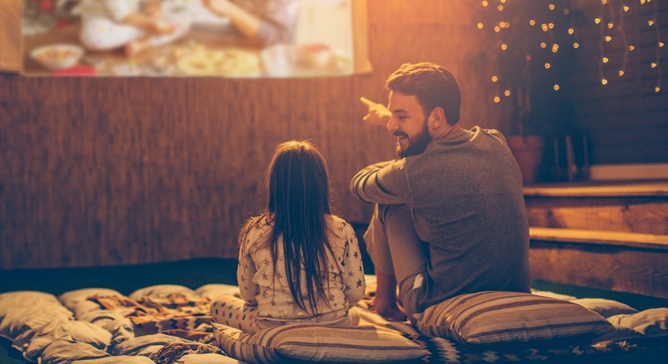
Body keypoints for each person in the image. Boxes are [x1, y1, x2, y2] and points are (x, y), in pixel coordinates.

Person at [350, 62, 531, 322]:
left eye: (401, 116)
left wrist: (399, 169)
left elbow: (359, 185)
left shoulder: (413, 173)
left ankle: (385, 302)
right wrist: (400, 151)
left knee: (388, 202)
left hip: (437, 304)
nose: (391, 126)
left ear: (436, 117)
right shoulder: (495, 141)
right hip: (516, 292)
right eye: (391, 115)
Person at [211, 140, 366, 333]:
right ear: (321, 183)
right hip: (333, 325)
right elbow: (355, 293)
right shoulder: (342, 229)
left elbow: (248, 295)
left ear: (275, 184)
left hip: (271, 328)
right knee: (356, 314)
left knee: (218, 304)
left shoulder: (255, 230)